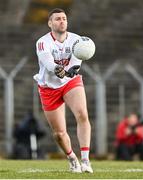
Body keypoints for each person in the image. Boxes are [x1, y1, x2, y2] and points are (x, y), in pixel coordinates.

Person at [33, 8, 93, 173]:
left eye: (64, 18)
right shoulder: (42, 42)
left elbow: (78, 58)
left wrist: (74, 68)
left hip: (70, 82)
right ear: (50, 23)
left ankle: (86, 160)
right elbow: (47, 62)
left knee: (82, 114)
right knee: (59, 133)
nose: (62, 21)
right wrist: (57, 68)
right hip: (48, 87)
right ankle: (72, 158)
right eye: (57, 19)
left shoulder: (76, 39)